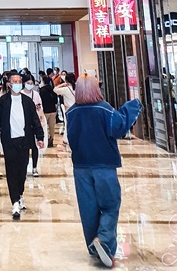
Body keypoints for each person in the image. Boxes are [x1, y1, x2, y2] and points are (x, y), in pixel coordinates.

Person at [66, 74, 141, 268]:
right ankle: (104, 242)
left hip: (81, 167)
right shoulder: (104, 109)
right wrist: (131, 107)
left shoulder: (71, 112)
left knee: (88, 209)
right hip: (104, 166)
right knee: (109, 205)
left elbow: (71, 139)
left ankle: (94, 246)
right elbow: (119, 129)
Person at [0, 73, 44, 220]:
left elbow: (35, 120)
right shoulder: (3, 101)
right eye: (15, 81)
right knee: (11, 171)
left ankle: (20, 194)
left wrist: (40, 137)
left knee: (22, 171)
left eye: (20, 81)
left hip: (25, 140)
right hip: (9, 141)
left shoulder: (27, 101)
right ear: (9, 84)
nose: (18, 83)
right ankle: (14, 201)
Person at [22, 74, 47, 176]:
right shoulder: (21, 94)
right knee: (25, 147)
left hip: (34, 123)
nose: (30, 85)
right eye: (28, 83)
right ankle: (24, 166)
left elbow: (40, 107)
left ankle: (35, 167)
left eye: (31, 83)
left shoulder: (36, 94)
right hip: (23, 123)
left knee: (35, 146)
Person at [54, 73, 76, 144]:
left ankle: (67, 139)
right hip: (77, 107)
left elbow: (55, 89)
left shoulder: (66, 89)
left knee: (68, 124)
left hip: (69, 109)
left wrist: (62, 84)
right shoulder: (78, 87)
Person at [39, 73, 58, 147]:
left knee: (44, 126)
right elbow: (55, 99)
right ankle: (51, 139)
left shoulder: (42, 90)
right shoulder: (52, 89)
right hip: (52, 110)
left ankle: (45, 140)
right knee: (52, 127)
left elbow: (41, 100)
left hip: (45, 110)